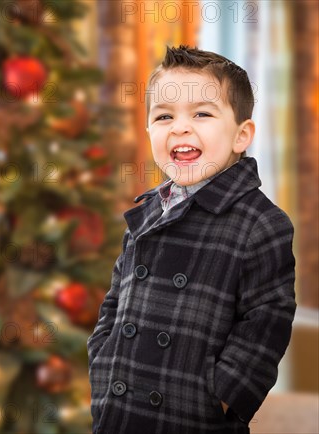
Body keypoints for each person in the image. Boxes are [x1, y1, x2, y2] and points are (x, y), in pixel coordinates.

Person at [87, 45, 297, 434]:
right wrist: (102, 356)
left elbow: (268, 320)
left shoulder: (261, 222)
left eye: (201, 113)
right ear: (148, 130)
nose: (180, 127)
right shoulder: (147, 211)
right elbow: (116, 296)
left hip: (193, 413)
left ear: (241, 135)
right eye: (164, 116)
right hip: (121, 403)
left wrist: (224, 394)